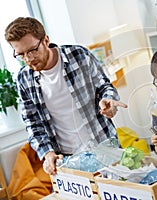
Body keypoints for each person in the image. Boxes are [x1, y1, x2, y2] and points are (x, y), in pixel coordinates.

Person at [4, 17, 127, 175]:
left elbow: (104, 86)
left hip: (104, 146)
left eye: (32, 50)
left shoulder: (79, 55)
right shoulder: (24, 79)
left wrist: (109, 99)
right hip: (69, 160)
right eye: (21, 54)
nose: (28, 59)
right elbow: (33, 124)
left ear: (46, 40)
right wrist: (47, 154)